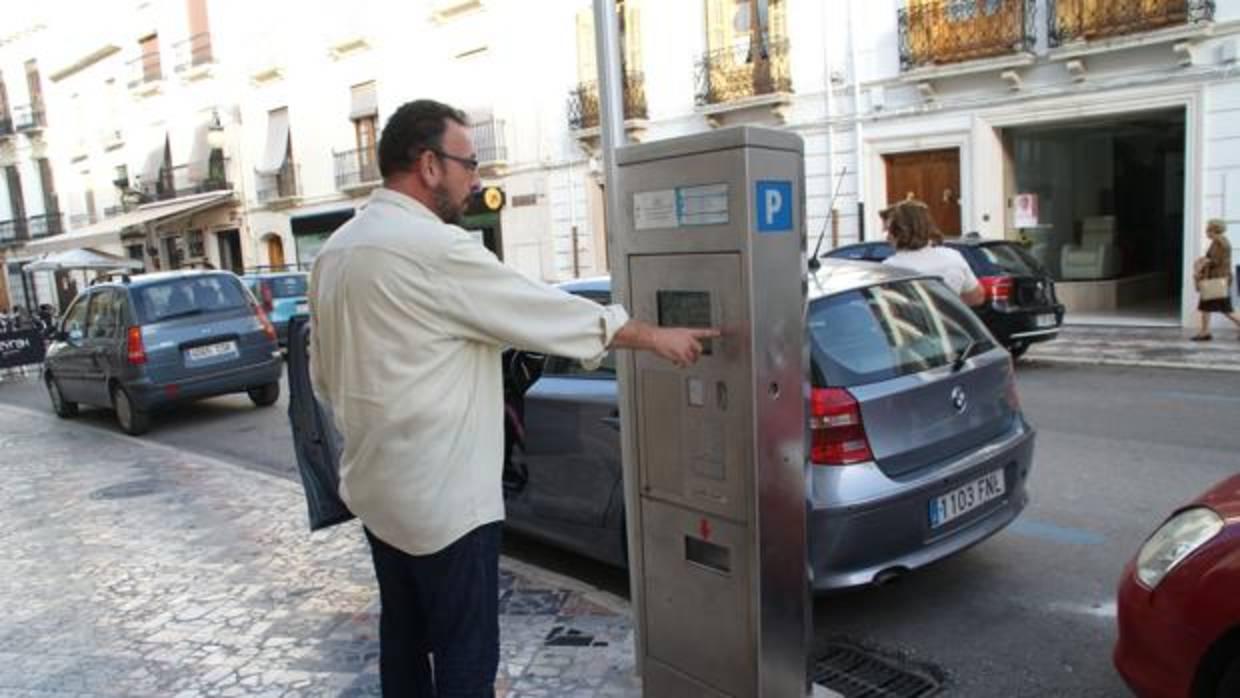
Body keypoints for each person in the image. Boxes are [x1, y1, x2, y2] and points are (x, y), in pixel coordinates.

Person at [309, 99, 717, 697]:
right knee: (465, 656)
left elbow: (323, 376)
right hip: (446, 505)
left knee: (402, 641)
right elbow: (541, 309)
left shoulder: (336, 252)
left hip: (376, 491)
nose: (477, 179)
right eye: (469, 163)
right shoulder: (435, 249)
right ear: (428, 164)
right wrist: (652, 336)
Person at [880, 199, 985, 306]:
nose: (887, 237)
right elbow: (977, 297)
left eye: (888, 230)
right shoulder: (953, 257)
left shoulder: (890, 268)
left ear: (901, 231)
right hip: (949, 321)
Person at [1191, 218, 1240, 341]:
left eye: (1207, 229)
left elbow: (1216, 261)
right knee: (1205, 306)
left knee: (1225, 308)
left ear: (1213, 230)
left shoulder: (1220, 242)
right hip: (1214, 280)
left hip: (1217, 280)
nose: (1206, 232)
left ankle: (1205, 332)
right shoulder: (1217, 241)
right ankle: (1205, 332)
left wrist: (1202, 262)